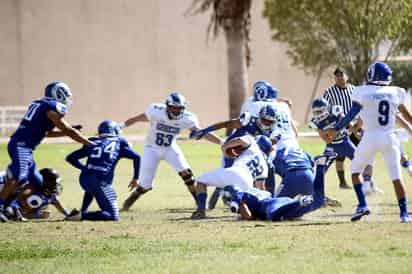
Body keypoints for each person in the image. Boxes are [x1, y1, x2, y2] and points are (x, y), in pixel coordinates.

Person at [327, 62, 412, 223]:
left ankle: (362, 205)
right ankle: (404, 214)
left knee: (355, 171)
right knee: (396, 176)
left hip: (370, 137)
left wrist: (336, 129)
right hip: (389, 137)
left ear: (372, 75)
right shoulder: (395, 92)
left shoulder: (362, 91)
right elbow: (407, 116)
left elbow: (351, 114)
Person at [0, 81, 94, 222]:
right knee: (19, 177)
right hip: (21, 146)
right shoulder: (53, 106)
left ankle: (15, 209)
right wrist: (88, 143)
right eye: (66, 96)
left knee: (38, 182)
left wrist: (68, 133)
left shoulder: (41, 104)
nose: (68, 100)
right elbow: (68, 130)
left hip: (25, 147)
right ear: (59, 93)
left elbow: (45, 133)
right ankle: (2, 207)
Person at [120, 92, 222, 211]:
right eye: (174, 107)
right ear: (167, 106)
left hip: (170, 148)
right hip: (151, 148)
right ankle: (129, 202)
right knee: (145, 185)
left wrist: (221, 142)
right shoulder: (156, 111)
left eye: (180, 108)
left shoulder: (187, 118)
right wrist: (121, 125)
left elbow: (201, 133)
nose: (177, 111)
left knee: (187, 174)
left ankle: (199, 203)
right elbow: (138, 118)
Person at [190, 104, 277, 206]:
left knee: (269, 168)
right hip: (231, 151)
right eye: (265, 120)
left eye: (270, 122)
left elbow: (270, 145)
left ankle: (269, 199)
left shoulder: (272, 131)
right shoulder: (248, 120)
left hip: (248, 156)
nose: (266, 123)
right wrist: (206, 130)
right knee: (227, 177)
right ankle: (216, 197)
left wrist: (268, 157)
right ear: (259, 116)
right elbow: (226, 124)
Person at [225, 151, 337, 221]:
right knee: (318, 201)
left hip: (273, 204)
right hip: (283, 202)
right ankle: (321, 166)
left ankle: (301, 201)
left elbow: (248, 216)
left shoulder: (238, 193)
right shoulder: (251, 191)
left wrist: (242, 212)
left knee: (273, 215)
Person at [65, 120, 141, 221]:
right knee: (113, 216)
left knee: (92, 189)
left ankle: (82, 211)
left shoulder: (93, 141)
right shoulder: (120, 141)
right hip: (100, 180)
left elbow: (70, 158)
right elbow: (137, 157)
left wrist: (84, 168)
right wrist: (135, 178)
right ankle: (81, 216)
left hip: (84, 178)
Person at [191, 135, 273, 219]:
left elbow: (240, 140)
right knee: (241, 198)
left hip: (236, 171)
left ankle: (201, 211)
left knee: (201, 181)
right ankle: (247, 215)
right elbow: (261, 188)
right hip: (247, 182)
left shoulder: (252, 142)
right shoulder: (265, 166)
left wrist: (225, 148)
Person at [321, 68, 360, 189]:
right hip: (338, 128)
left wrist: (358, 126)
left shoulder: (354, 89)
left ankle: (367, 182)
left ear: (347, 76)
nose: (340, 78)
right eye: (337, 76)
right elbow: (324, 108)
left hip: (355, 126)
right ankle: (342, 182)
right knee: (339, 157)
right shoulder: (329, 92)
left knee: (362, 155)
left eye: (342, 75)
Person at [3, 168, 69, 221]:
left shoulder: (49, 193)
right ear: (46, 183)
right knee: (9, 212)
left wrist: (69, 215)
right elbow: (18, 214)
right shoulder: (31, 192)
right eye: (54, 184)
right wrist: (37, 215)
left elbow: (62, 209)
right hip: (6, 202)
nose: (56, 186)